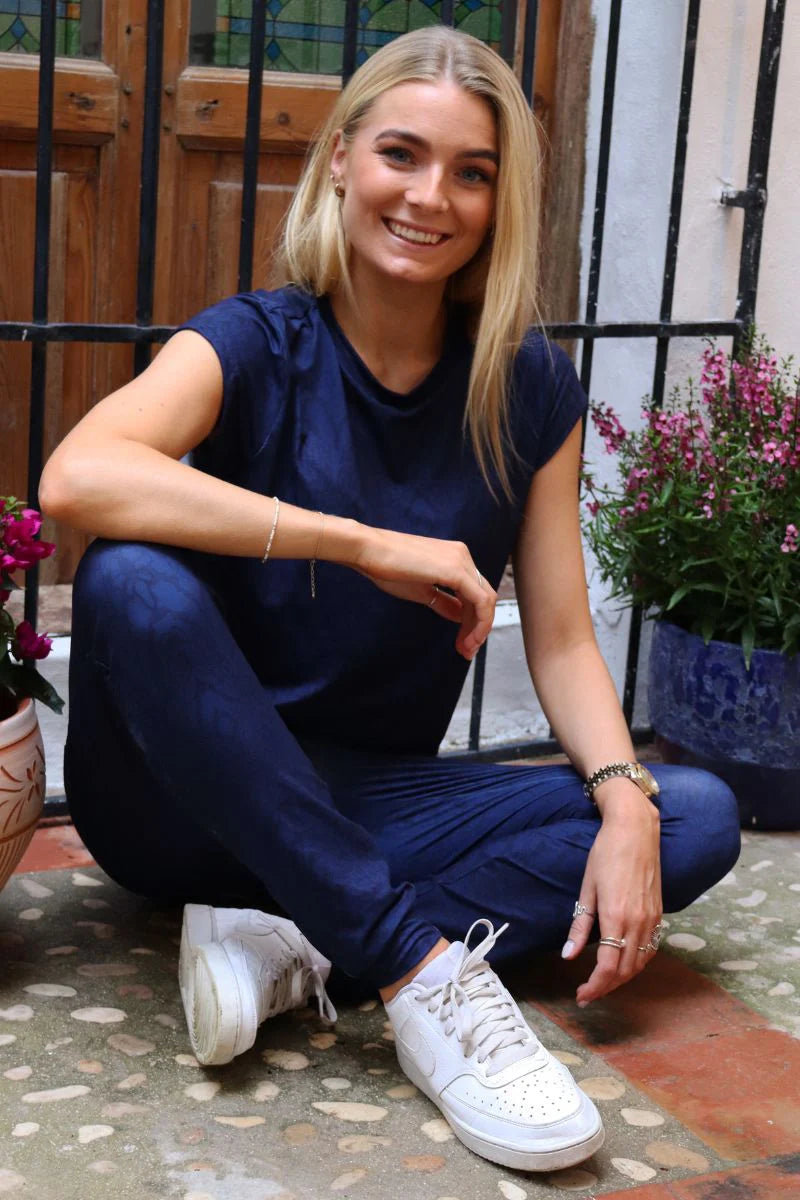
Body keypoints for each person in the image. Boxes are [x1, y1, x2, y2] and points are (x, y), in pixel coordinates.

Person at [39, 26, 740, 1174]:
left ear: (498, 202)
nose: (429, 197)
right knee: (129, 579)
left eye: (470, 172)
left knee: (688, 817)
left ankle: (298, 947)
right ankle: (417, 972)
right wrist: (358, 544)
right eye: (400, 155)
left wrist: (622, 802)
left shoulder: (524, 388)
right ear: (340, 162)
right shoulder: (257, 342)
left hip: (364, 796)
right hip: (181, 802)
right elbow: (77, 478)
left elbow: (564, 641)